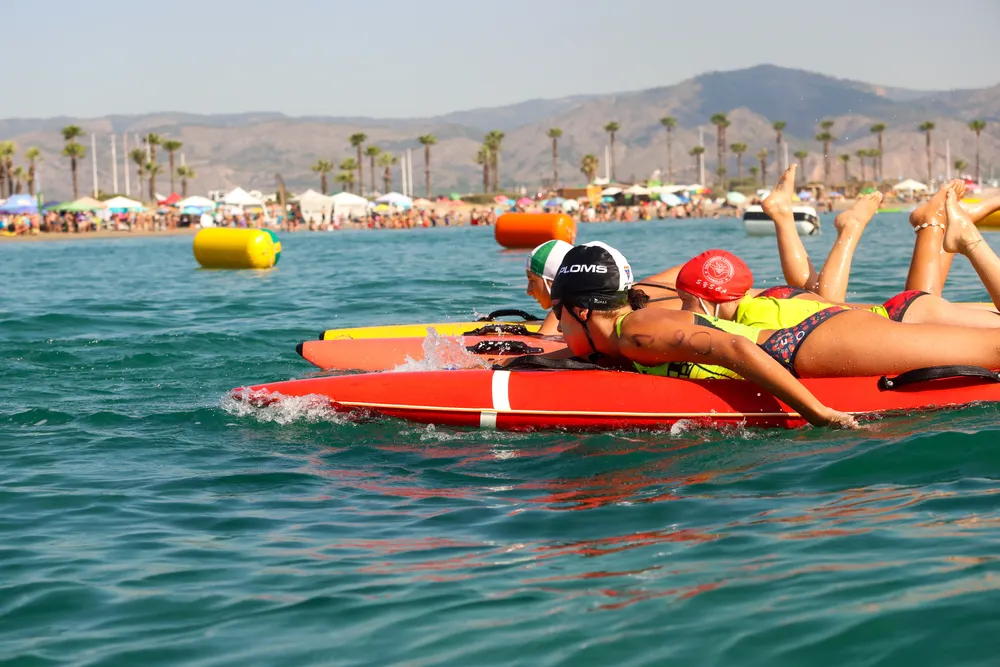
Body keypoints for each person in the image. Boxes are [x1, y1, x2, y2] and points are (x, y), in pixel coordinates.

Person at [549, 228, 1000, 429]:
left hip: (802, 347)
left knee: (992, 348)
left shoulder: (639, 334)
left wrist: (818, 413)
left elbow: (735, 351)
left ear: (581, 311)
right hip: (803, 341)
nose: (559, 327)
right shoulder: (623, 332)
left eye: (559, 313)